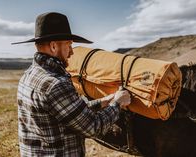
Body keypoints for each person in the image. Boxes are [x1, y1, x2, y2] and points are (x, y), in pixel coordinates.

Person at [13, 12, 131, 157]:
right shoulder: (55, 84)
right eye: (69, 45)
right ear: (54, 46)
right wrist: (118, 103)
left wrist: (104, 101)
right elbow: (92, 127)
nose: (71, 52)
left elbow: (68, 111)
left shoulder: (29, 75)